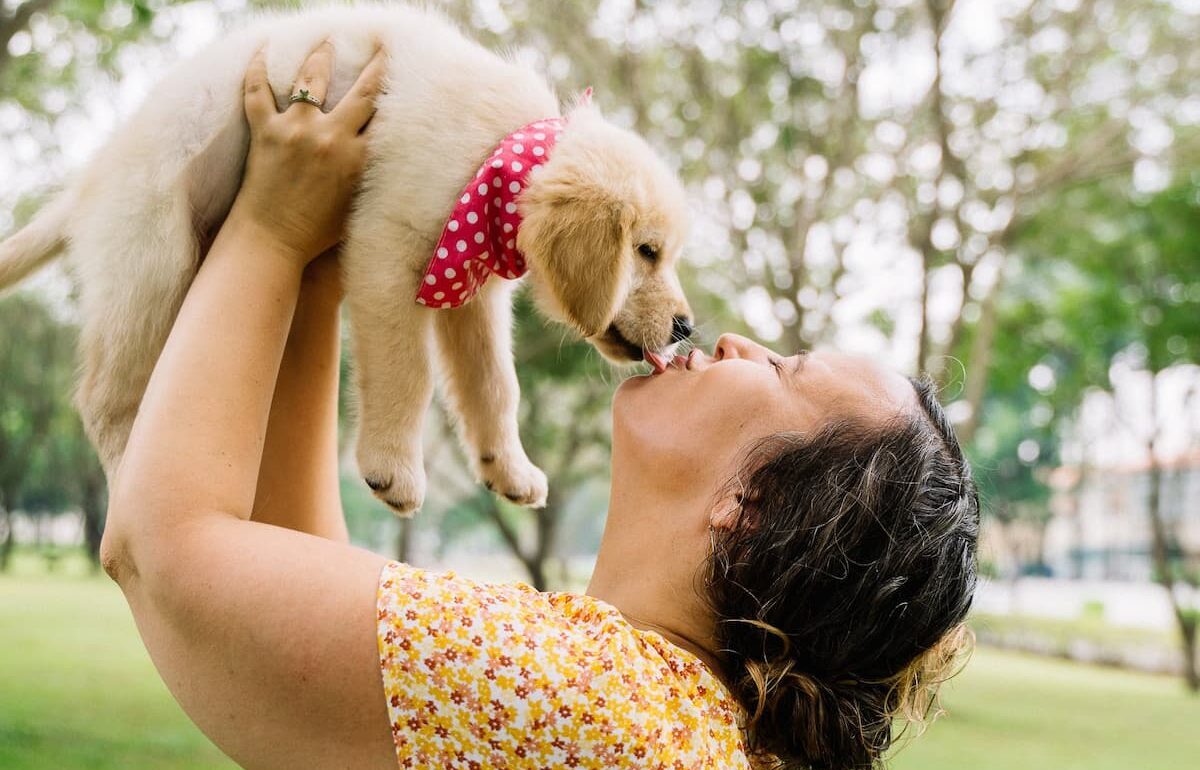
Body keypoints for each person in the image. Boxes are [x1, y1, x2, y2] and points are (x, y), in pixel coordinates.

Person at [100, 41, 979, 770]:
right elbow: (285, 589)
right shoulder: (645, 716)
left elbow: (164, 549)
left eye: (785, 370)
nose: (737, 343)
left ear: (751, 508)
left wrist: (271, 229)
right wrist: (327, 263)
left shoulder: (589, 705)